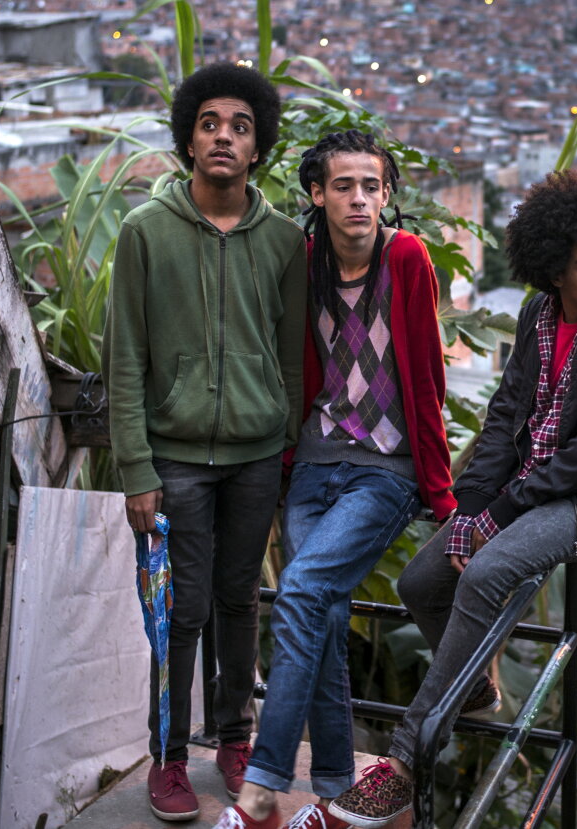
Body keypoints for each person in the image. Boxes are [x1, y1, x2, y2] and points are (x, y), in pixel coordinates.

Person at [327, 170, 577, 829]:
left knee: (487, 572)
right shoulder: (539, 316)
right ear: (554, 274)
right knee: (421, 580)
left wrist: (496, 519)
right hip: (544, 481)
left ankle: (404, 763)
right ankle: (478, 686)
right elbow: (506, 420)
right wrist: (467, 515)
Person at [213, 131, 456, 829]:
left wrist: (440, 491)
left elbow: (427, 379)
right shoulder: (305, 261)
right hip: (315, 465)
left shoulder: (406, 258)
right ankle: (333, 792)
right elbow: (294, 369)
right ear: (317, 193)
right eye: (344, 185)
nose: (360, 199)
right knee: (317, 611)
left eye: (372, 186)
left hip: (386, 470)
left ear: (387, 195)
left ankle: (260, 790)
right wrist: (285, 468)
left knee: (304, 588)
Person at [104, 62, 307, 823]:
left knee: (238, 600)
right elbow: (125, 359)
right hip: (176, 458)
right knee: (178, 611)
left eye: (241, 126)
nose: (225, 135)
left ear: (259, 148)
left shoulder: (285, 240)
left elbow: (289, 360)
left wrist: (284, 448)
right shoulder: (144, 233)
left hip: (255, 456)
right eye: (211, 122)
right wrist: (136, 470)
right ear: (189, 138)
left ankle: (235, 738)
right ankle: (168, 756)